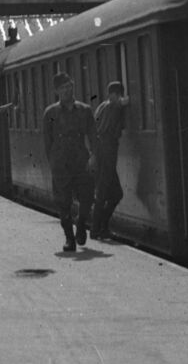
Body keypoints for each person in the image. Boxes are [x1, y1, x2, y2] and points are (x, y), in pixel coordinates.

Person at [42, 72, 96, 252]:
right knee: (63, 201)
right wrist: (53, 161)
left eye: (69, 86)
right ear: (57, 91)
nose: (67, 90)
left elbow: (93, 136)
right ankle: (69, 239)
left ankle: (81, 223)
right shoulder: (50, 113)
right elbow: (47, 140)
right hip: (61, 162)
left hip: (80, 159)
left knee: (87, 197)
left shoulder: (85, 110)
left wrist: (94, 156)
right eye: (63, 88)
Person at [89, 82, 131, 240]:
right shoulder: (110, 106)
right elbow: (120, 103)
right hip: (107, 152)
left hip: (103, 152)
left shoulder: (101, 106)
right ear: (115, 94)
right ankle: (96, 229)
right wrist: (127, 100)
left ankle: (101, 228)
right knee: (104, 192)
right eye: (118, 94)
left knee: (114, 194)